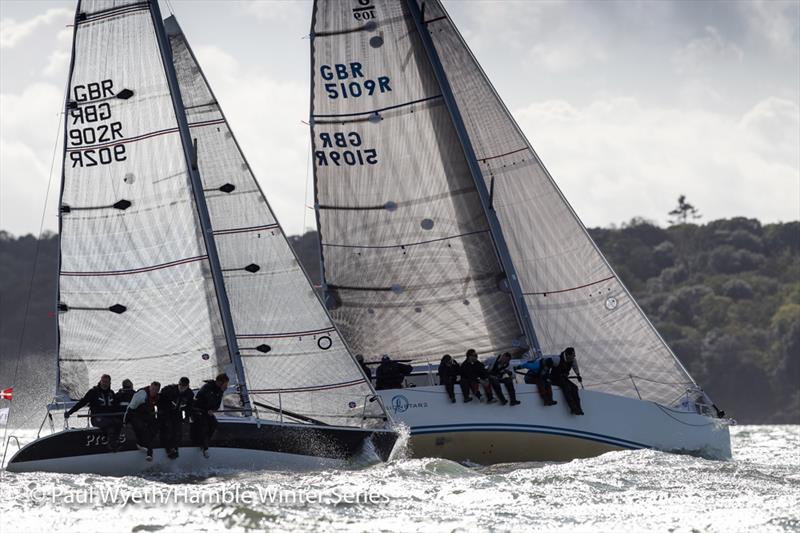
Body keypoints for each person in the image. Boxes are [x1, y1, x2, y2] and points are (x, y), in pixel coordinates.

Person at [64, 374, 120, 451]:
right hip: (97, 418)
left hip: (109, 417)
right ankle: (112, 445)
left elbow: (117, 406)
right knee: (110, 423)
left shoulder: (112, 393)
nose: (104, 383)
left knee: (118, 422)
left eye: (106, 382)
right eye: (103, 381)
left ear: (110, 383)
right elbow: (82, 402)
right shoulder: (93, 392)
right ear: (100, 381)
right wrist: (70, 412)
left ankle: (115, 441)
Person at [192, 373, 229, 458]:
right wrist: (207, 409)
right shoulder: (207, 387)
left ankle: (204, 443)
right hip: (198, 410)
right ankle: (205, 447)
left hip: (208, 412)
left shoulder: (220, 391)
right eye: (225, 384)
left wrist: (213, 410)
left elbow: (217, 405)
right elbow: (200, 400)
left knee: (214, 424)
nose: (226, 387)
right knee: (204, 425)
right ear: (220, 382)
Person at [157, 377, 193, 460]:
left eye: (184, 386)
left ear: (187, 386)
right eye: (180, 385)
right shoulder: (169, 390)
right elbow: (160, 401)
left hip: (177, 412)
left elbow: (189, 407)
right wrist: (162, 412)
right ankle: (168, 448)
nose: (181, 388)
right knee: (168, 427)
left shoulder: (189, 394)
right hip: (166, 412)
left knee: (178, 430)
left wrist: (187, 417)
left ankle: (175, 447)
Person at [126, 381, 161, 461]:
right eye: (152, 389)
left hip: (146, 415)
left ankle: (143, 444)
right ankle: (148, 451)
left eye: (156, 390)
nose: (154, 391)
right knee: (142, 427)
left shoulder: (157, 396)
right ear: (149, 387)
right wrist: (125, 421)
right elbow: (130, 408)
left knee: (156, 425)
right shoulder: (142, 394)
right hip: (135, 414)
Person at [551, 347, 584, 415]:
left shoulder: (572, 360)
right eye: (573, 355)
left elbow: (575, 366)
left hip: (563, 378)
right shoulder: (557, 359)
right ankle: (573, 408)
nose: (574, 356)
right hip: (555, 378)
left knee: (574, 387)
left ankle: (579, 408)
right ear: (568, 355)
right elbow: (547, 362)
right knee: (566, 387)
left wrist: (578, 375)